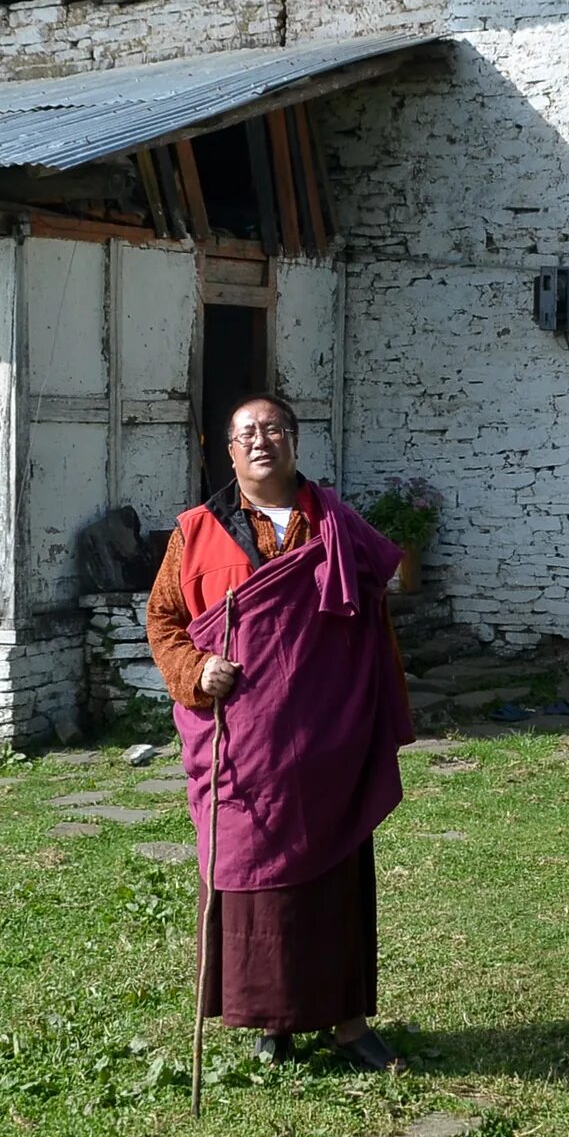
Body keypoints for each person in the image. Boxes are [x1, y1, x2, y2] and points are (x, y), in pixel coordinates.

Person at [144, 394, 413, 1070]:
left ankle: (348, 1023)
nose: (261, 441)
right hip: (244, 746)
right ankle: (274, 1022)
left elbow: (389, 578)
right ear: (228, 451)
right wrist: (196, 668)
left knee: (334, 884)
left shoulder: (333, 522)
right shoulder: (196, 531)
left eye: (273, 429)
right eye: (246, 433)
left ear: (293, 441)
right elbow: (164, 621)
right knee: (254, 887)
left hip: (325, 740)